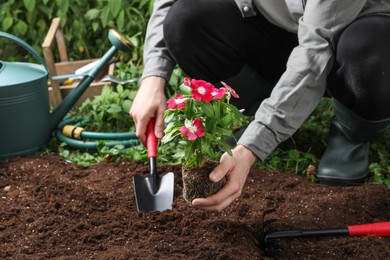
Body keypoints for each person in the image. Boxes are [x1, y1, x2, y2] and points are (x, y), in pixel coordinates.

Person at [130, 0, 390, 212]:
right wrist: (153, 77)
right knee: (185, 20)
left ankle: (351, 135)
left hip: (353, 33)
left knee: (371, 52)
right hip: (277, 29)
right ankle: (259, 106)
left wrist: (254, 145)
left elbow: (315, 51)